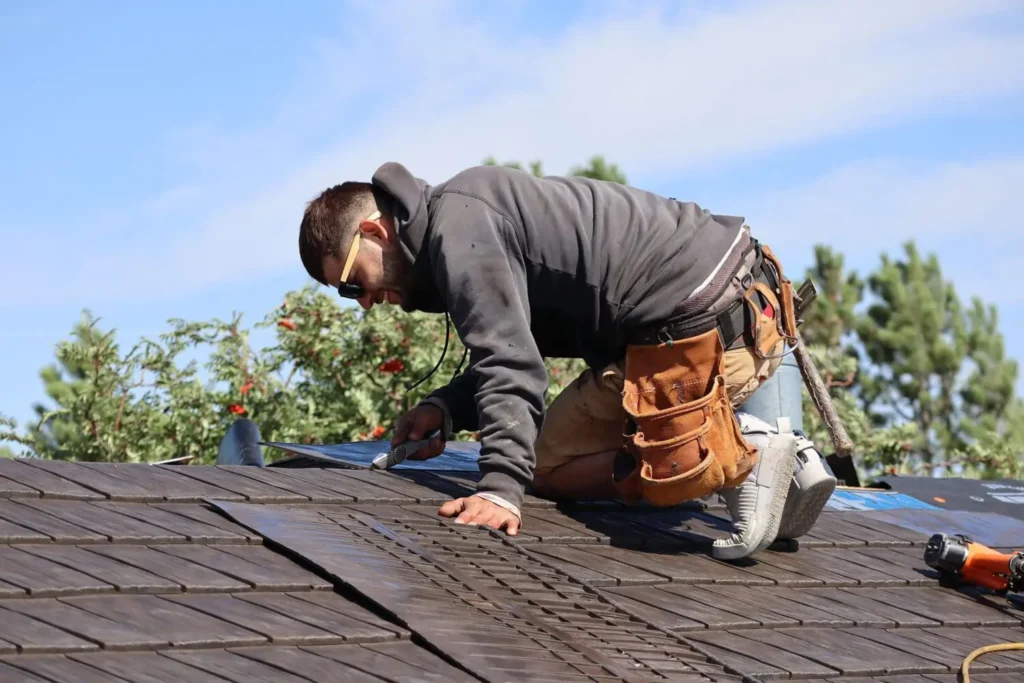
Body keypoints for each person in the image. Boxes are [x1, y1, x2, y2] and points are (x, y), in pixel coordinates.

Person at [297, 161, 830, 558]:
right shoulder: (462, 211)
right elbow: (518, 342)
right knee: (557, 447)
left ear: (373, 231)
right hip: (751, 311)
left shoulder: (456, 228)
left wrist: (501, 490)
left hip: (697, 334)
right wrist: (449, 407)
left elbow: (509, 362)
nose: (364, 303)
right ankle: (783, 461)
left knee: (547, 466)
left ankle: (738, 454)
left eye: (351, 285)